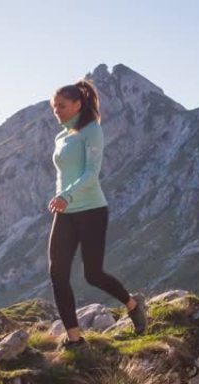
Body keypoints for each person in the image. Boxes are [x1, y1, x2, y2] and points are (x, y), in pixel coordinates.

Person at [47, 79, 148, 351]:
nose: (57, 110)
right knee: (57, 272)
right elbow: (65, 173)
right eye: (54, 106)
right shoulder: (61, 136)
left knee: (93, 274)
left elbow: (91, 174)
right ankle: (75, 339)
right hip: (66, 211)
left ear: (78, 104)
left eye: (62, 106)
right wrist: (62, 197)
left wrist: (66, 195)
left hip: (91, 210)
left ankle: (133, 305)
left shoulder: (92, 131)